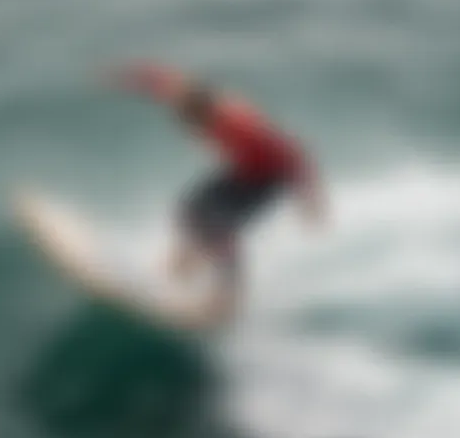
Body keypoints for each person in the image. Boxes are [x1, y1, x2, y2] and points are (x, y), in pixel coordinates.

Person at [107, 61, 326, 325]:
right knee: (190, 211)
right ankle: (176, 272)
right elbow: (163, 80)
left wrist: (311, 201)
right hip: (244, 170)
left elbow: (293, 155)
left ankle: (230, 298)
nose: (188, 127)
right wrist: (123, 77)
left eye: (192, 121)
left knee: (220, 228)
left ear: (205, 114)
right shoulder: (188, 99)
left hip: (269, 178)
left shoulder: (237, 123)